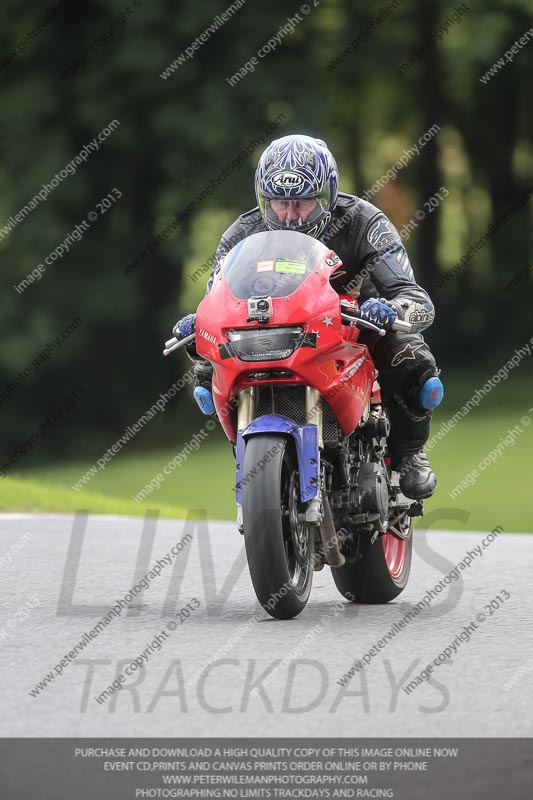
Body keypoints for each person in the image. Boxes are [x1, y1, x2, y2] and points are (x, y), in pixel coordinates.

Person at [174, 135, 442, 500]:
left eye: (303, 203)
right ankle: (253, 460)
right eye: (280, 203)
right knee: (205, 376)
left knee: (412, 360)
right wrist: (197, 325)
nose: (290, 214)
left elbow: (415, 296)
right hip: (273, 332)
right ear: (263, 199)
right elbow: (217, 299)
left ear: (327, 196)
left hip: (355, 327)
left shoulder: (364, 222)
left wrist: (390, 309)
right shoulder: (240, 233)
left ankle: (409, 453)